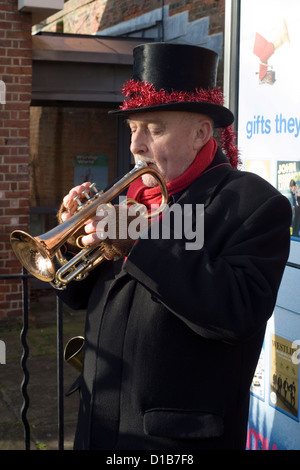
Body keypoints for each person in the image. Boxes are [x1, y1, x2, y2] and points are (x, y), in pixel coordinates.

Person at [56, 43, 291, 450]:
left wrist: (141, 243)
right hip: (98, 426)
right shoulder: (128, 200)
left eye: (155, 128)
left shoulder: (255, 204)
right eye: (133, 128)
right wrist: (71, 241)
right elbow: (77, 298)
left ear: (201, 133)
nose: (136, 145)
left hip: (174, 443)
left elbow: (236, 313)